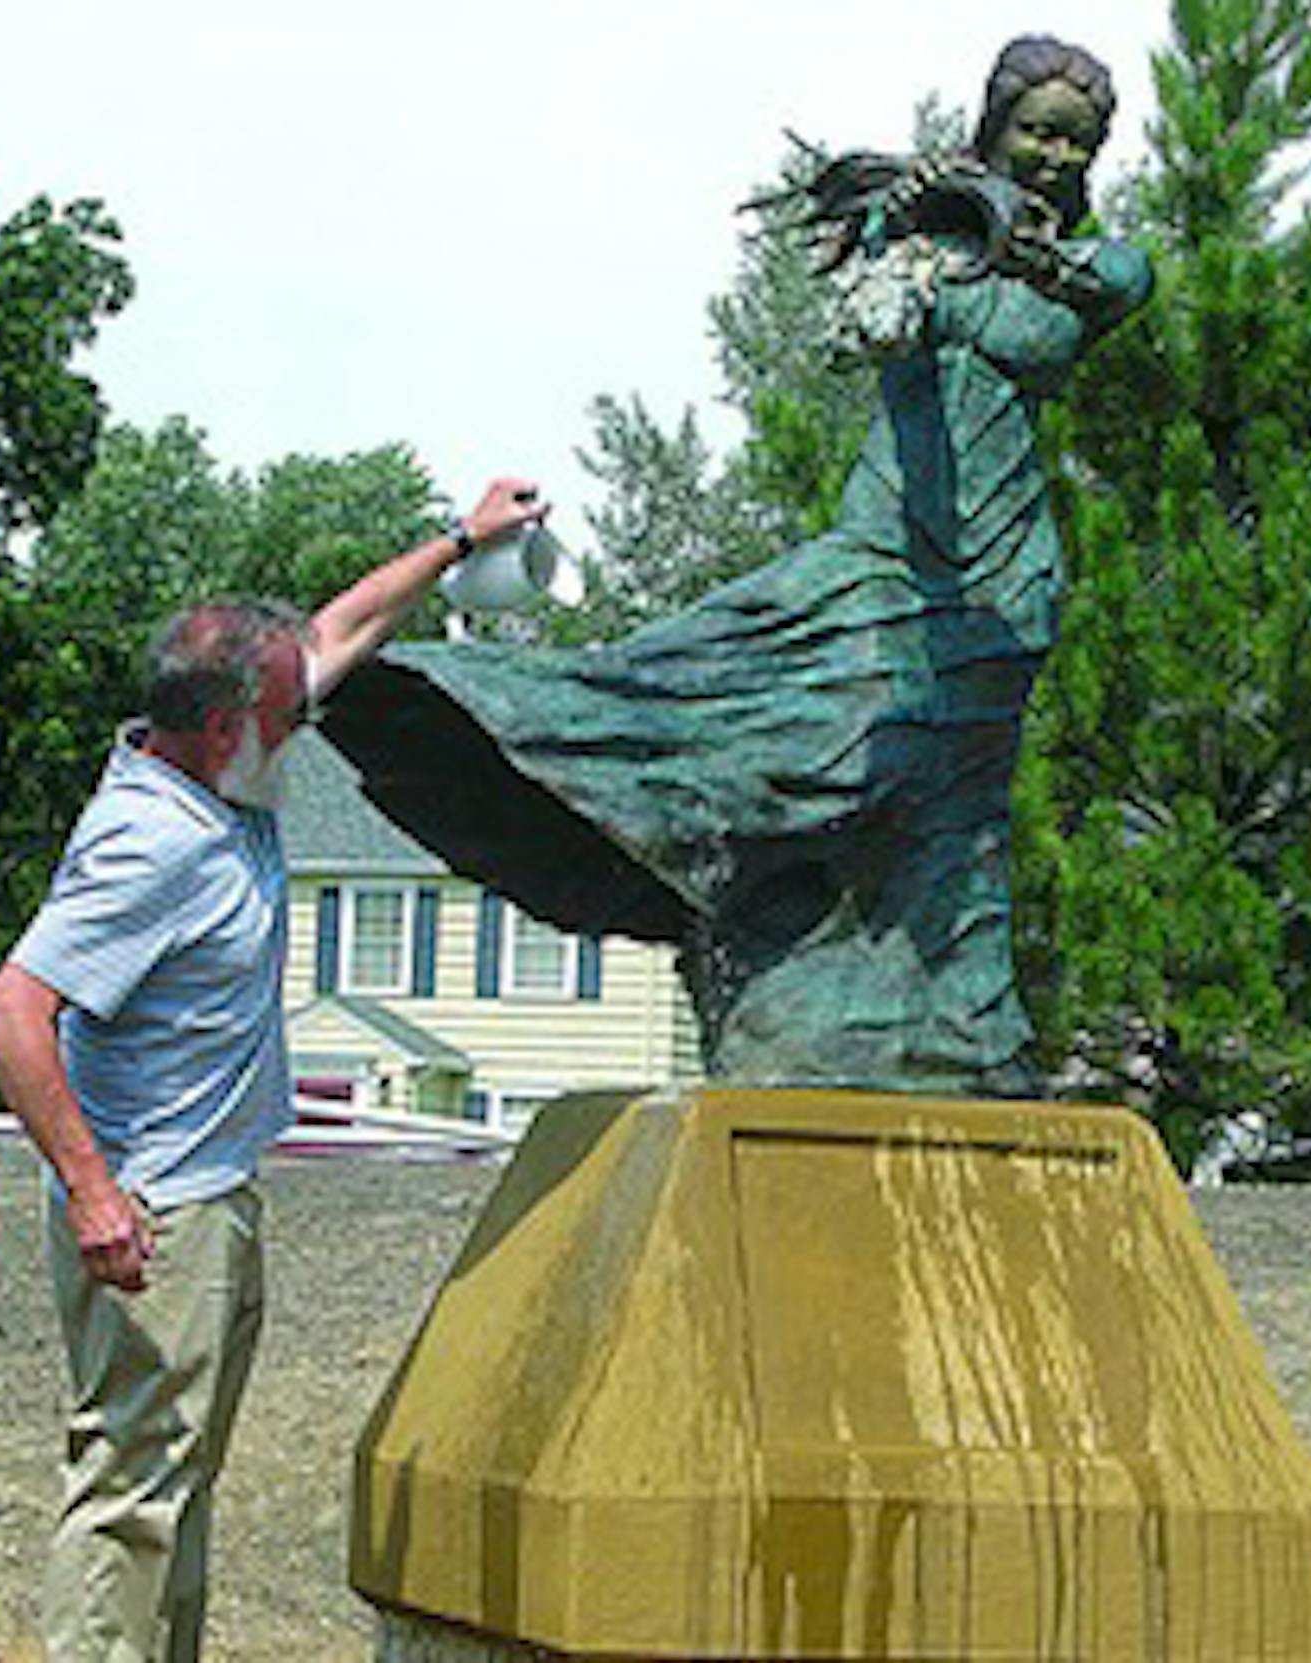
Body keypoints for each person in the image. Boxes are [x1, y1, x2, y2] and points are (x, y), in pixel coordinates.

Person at [322, 35, 1151, 1096]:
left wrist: (988, 223)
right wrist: (904, 224)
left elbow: (1092, 282)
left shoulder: (1103, 266)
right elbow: (869, 330)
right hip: (888, 550)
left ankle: (956, 1034)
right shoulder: (923, 247)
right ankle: (564, 777)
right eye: (1035, 130)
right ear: (994, 125)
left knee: (950, 820)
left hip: (1000, 585)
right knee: (726, 696)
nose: (1051, 154)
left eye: (1073, 142)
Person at [0, 476, 542, 1662]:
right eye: (291, 720)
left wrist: (458, 540)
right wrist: (93, 1195)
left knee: (180, 1479)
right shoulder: (151, 842)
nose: (306, 727)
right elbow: (12, 1014)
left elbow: (329, 633)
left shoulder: (225, 757)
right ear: (227, 724)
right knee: (131, 1488)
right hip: (153, 1215)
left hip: (206, 1197)